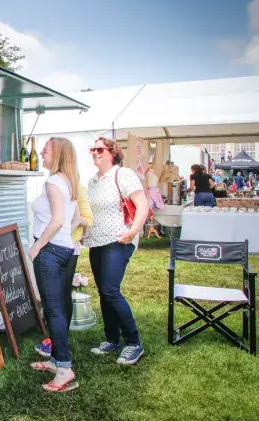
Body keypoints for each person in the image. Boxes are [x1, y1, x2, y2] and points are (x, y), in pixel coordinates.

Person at [83, 137, 148, 366]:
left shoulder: (124, 174)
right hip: (97, 241)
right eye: (92, 149)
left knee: (111, 289)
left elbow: (143, 205)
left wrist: (132, 232)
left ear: (112, 152)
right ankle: (112, 339)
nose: (94, 153)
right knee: (103, 291)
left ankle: (134, 343)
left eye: (99, 149)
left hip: (120, 238)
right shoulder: (92, 181)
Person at [27, 137, 82, 392]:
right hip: (64, 250)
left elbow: (59, 219)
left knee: (53, 310)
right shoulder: (69, 181)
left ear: (57, 154)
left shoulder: (52, 182)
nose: (41, 153)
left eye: (46, 150)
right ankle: (56, 359)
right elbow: (77, 218)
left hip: (49, 251)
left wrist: (38, 246)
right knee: (57, 307)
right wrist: (62, 242)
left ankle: (64, 368)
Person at [34, 180, 91, 360]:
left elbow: (87, 218)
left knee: (61, 294)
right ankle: (58, 345)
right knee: (55, 298)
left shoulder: (75, 185)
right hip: (54, 245)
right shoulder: (55, 183)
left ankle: (59, 346)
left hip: (64, 246)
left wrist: (66, 230)